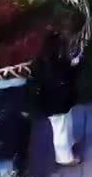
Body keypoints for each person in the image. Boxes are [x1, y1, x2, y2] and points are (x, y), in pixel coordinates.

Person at [29, 30, 81, 166]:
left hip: (54, 103)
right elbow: (67, 78)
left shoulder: (39, 62)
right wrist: (75, 66)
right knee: (60, 130)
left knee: (66, 124)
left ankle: (71, 143)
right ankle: (64, 157)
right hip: (57, 105)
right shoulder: (56, 66)